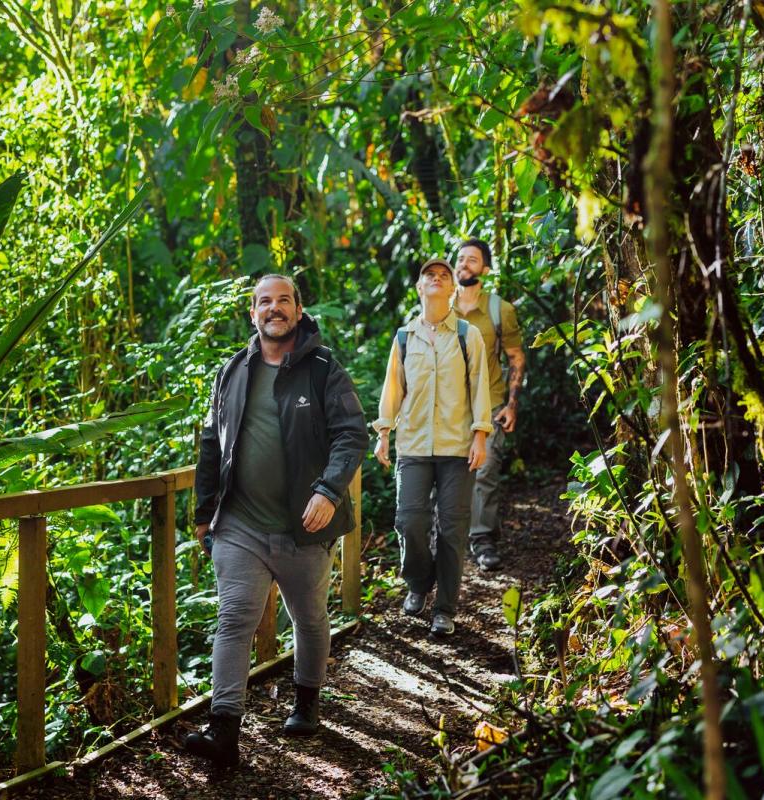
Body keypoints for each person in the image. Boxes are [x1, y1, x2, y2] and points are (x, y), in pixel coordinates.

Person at [186, 274, 368, 767]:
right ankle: (224, 729)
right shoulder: (232, 371)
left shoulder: (323, 368)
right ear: (253, 314)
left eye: (283, 300)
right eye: (264, 302)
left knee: (308, 619)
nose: (274, 308)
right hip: (240, 523)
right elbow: (211, 444)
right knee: (234, 617)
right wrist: (205, 514)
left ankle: (306, 701)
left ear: (298, 308)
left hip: (302, 527)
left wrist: (329, 491)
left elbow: (352, 434)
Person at [374, 258, 492, 636]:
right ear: (420, 289)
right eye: (430, 276)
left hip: (457, 448)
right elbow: (393, 389)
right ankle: (419, 582)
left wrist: (480, 435)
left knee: (453, 530)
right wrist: (383, 433)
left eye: (444, 276)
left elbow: (479, 387)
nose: (437, 280)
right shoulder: (405, 337)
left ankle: (445, 608)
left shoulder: (466, 334)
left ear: (453, 289)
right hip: (413, 446)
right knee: (410, 521)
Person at [453, 238, 526, 571]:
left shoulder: (500, 310)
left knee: (485, 472)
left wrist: (511, 404)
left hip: (490, 403)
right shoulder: (438, 306)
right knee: (447, 473)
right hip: (447, 409)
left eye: (473, 260)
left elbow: (515, 357)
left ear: (485, 269)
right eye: (461, 258)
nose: (465, 264)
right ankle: (446, 542)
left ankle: (483, 541)